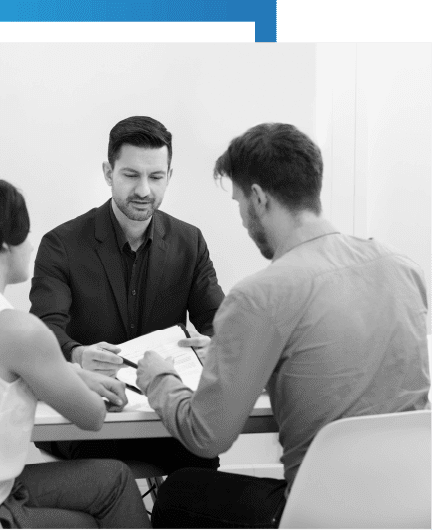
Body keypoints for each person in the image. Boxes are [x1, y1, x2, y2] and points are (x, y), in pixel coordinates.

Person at [136, 123, 431, 528]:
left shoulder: (261, 296)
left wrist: (158, 378)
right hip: (411, 506)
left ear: (258, 198)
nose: (241, 218)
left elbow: (208, 436)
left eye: (239, 203)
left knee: (179, 492)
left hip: (318, 514)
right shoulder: (403, 269)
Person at [0, 176, 151, 529]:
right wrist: (71, 378)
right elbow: (92, 417)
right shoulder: (16, 329)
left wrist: (68, 373)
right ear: (5, 244)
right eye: (26, 233)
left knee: (111, 478)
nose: (32, 245)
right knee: (111, 489)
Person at [30, 116, 225, 471]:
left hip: (162, 413)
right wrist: (76, 354)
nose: (144, 191)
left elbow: (219, 323)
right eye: (131, 175)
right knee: (110, 481)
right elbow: (43, 332)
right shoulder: (61, 245)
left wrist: (218, 346)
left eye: (156, 177)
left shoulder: (189, 242)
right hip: (88, 418)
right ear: (108, 173)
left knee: (201, 467)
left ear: (169, 175)